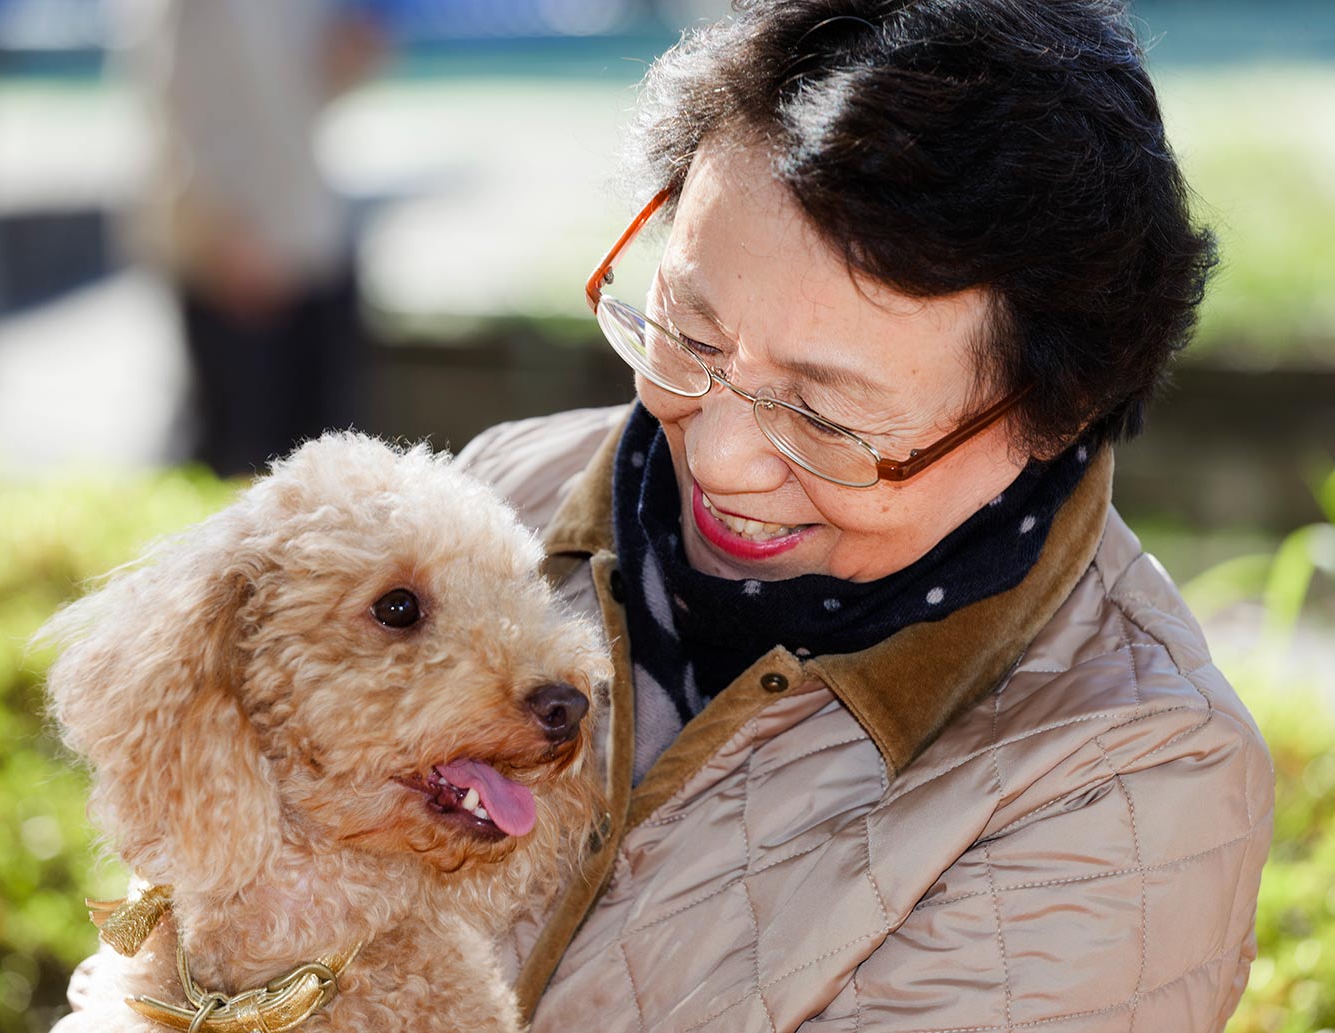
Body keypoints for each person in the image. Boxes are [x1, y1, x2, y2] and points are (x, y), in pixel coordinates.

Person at [453, 1, 1274, 1030]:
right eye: (687, 336)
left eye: (822, 416)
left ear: (1054, 411)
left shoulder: (1124, 788)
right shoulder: (490, 501)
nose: (718, 460)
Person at [120, 0, 386, 475]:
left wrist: (352, 53)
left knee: (330, 464)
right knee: (238, 462)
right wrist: (223, 230)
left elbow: (308, 85)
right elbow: (172, 97)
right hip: (235, 254)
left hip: (309, 239)